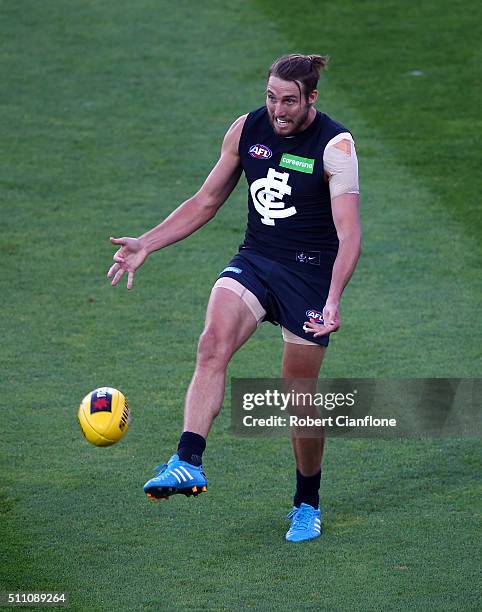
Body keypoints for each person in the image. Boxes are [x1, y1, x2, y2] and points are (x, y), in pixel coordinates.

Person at [107, 54, 361, 542]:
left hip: (309, 278)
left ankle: (307, 500)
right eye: (271, 97)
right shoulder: (247, 128)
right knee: (211, 344)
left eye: (289, 100)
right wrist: (147, 242)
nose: (278, 110)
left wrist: (333, 298)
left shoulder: (337, 146)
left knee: (298, 399)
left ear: (311, 98)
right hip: (257, 259)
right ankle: (188, 460)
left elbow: (349, 234)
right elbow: (206, 200)